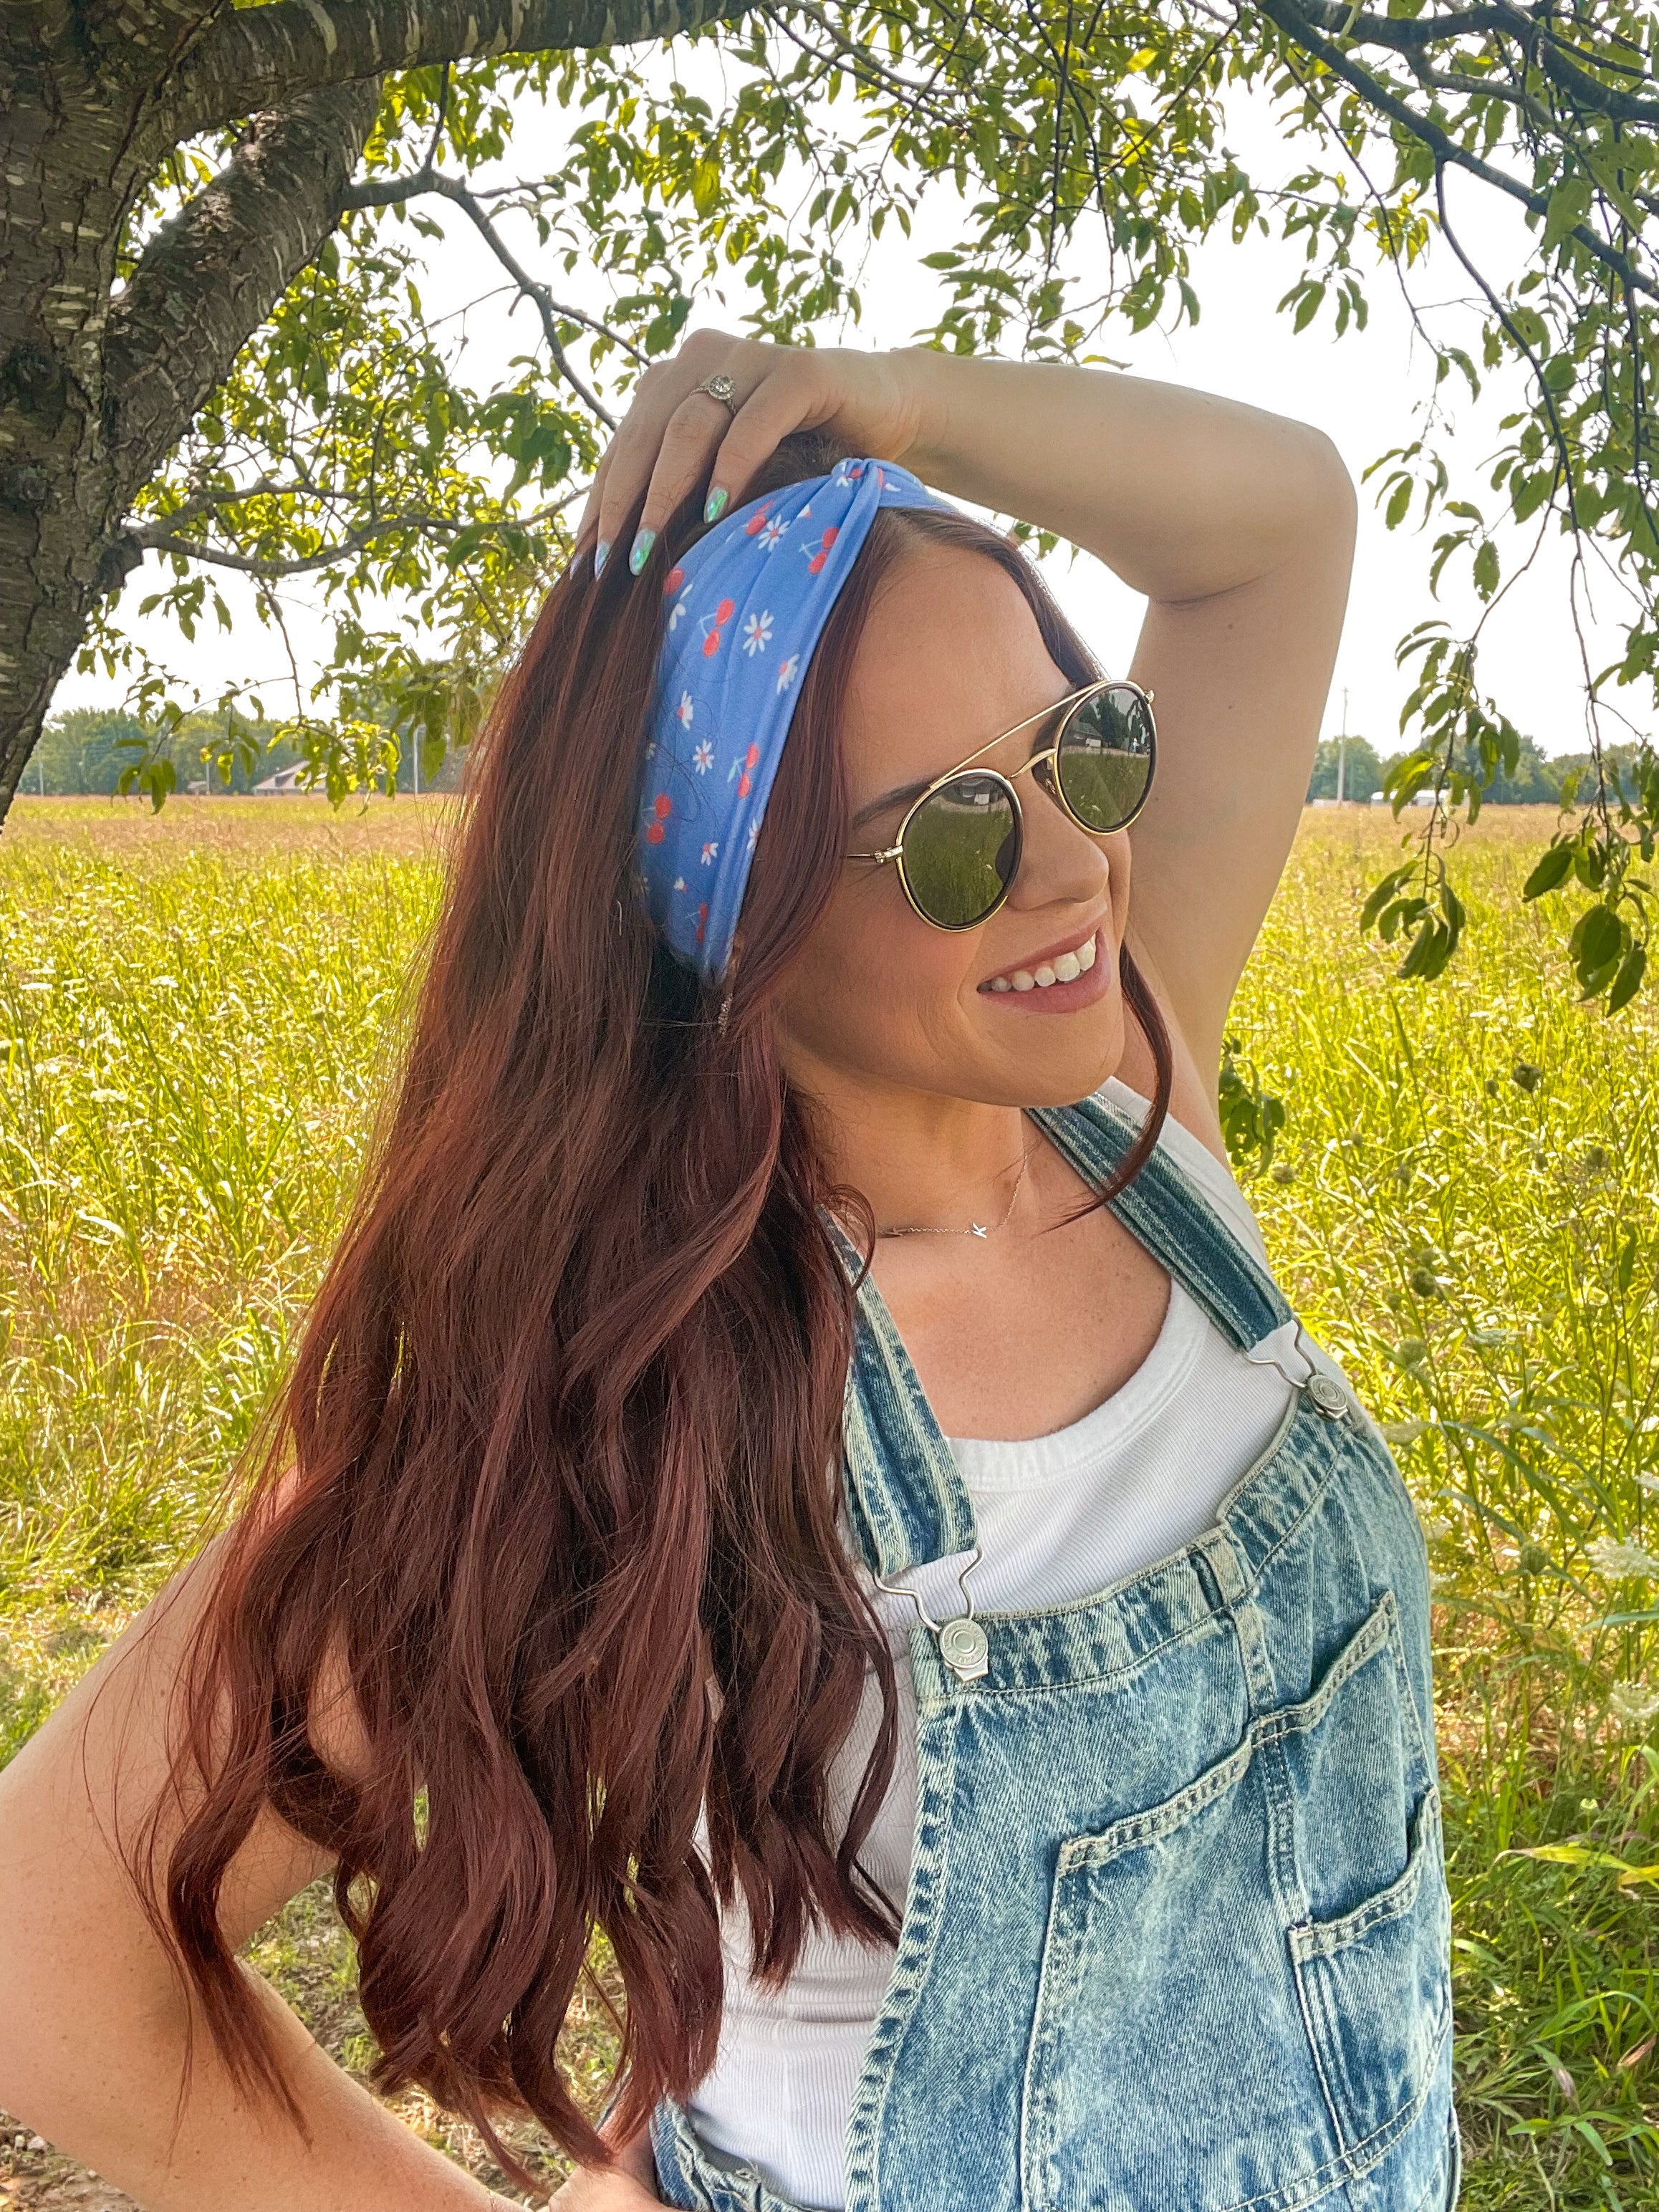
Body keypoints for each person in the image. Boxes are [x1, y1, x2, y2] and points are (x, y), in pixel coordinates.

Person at [0, 335, 1458, 2212]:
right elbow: (52, 1942)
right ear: (728, 916)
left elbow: (1275, 526)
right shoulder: (632, 1391)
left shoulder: (1119, 1114)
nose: (1072, 868)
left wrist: (899, 406)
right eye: (949, 831)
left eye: (1076, 746)